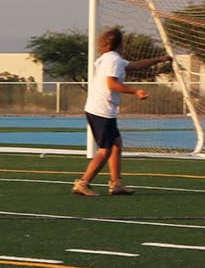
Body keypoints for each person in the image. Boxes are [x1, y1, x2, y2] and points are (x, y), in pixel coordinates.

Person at [73, 27, 170, 197]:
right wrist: (135, 91)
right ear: (119, 43)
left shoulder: (109, 58)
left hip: (102, 108)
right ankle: (83, 183)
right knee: (105, 150)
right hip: (101, 110)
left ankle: (116, 183)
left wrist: (158, 59)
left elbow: (133, 65)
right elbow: (112, 84)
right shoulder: (113, 61)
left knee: (116, 143)